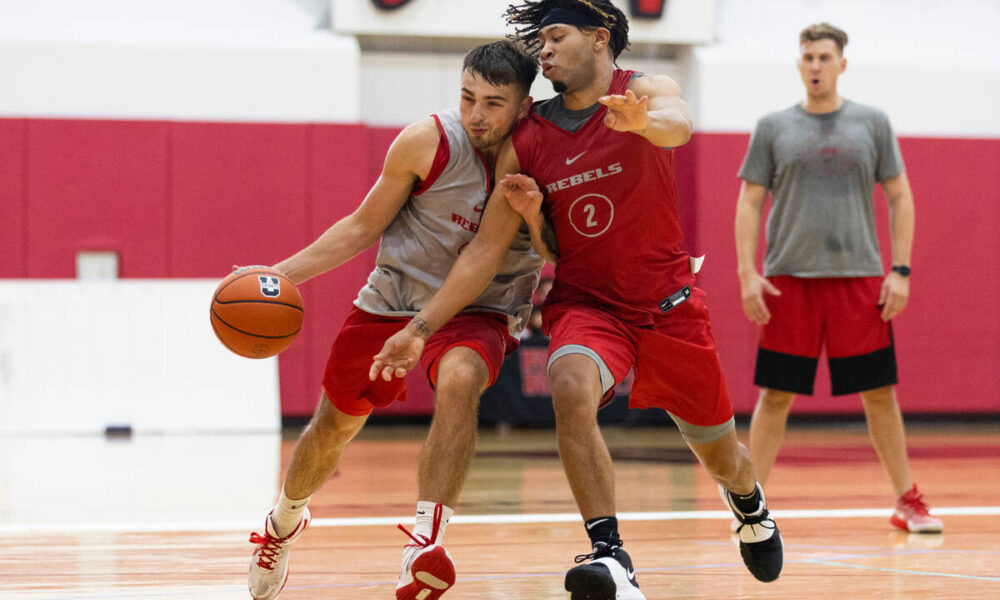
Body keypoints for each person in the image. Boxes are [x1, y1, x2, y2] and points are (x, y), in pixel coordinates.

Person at [370, 2, 783, 597]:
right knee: (568, 383)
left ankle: (749, 505)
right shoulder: (530, 132)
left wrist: (642, 123)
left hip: (667, 306)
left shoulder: (644, 90)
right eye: (540, 40)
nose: (544, 49)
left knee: (723, 457)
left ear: (599, 37)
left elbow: (678, 124)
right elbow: (487, 250)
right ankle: (609, 552)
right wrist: (421, 326)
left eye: (556, 36)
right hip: (588, 306)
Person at [246, 41, 542, 600]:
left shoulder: (538, 155)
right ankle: (284, 522)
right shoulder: (426, 141)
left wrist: (424, 329)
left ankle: (425, 544)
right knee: (333, 428)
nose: (476, 114)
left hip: (480, 307)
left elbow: (488, 257)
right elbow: (362, 227)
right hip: (394, 298)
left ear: (525, 106)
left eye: (493, 103)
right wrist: (277, 274)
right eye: (467, 97)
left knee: (460, 379)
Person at [734, 22, 942, 534]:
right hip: (789, 281)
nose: (816, 65)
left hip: (857, 282)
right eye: (808, 57)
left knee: (878, 393)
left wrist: (901, 270)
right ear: (799, 63)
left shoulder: (872, 122)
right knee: (776, 396)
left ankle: (907, 501)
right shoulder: (773, 126)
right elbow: (750, 202)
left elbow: (900, 196)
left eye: (825, 57)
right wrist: (747, 273)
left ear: (841, 63)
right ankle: (751, 510)